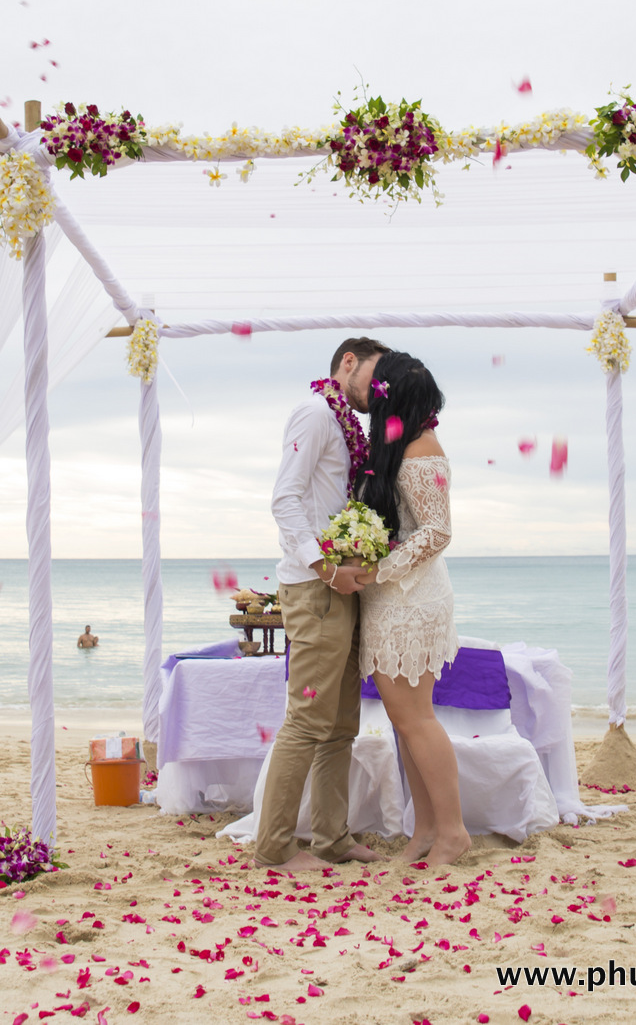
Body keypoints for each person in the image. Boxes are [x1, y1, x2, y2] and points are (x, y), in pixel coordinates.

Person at [257, 337, 391, 872]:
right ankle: (273, 848)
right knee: (307, 721)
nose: (376, 390)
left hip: (341, 588)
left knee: (340, 724)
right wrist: (325, 568)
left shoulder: (345, 424)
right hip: (316, 588)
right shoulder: (314, 413)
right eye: (372, 376)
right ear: (347, 362)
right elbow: (284, 497)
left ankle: (332, 839)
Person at [355, 350, 471, 867]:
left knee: (416, 719)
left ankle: (452, 831)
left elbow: (438, 532)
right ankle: (424, 830)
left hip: (410, 599)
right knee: (405, 722)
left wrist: (379, 570)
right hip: (393, 597)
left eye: (376, 386)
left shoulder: (422, 448)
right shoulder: (401, 446)